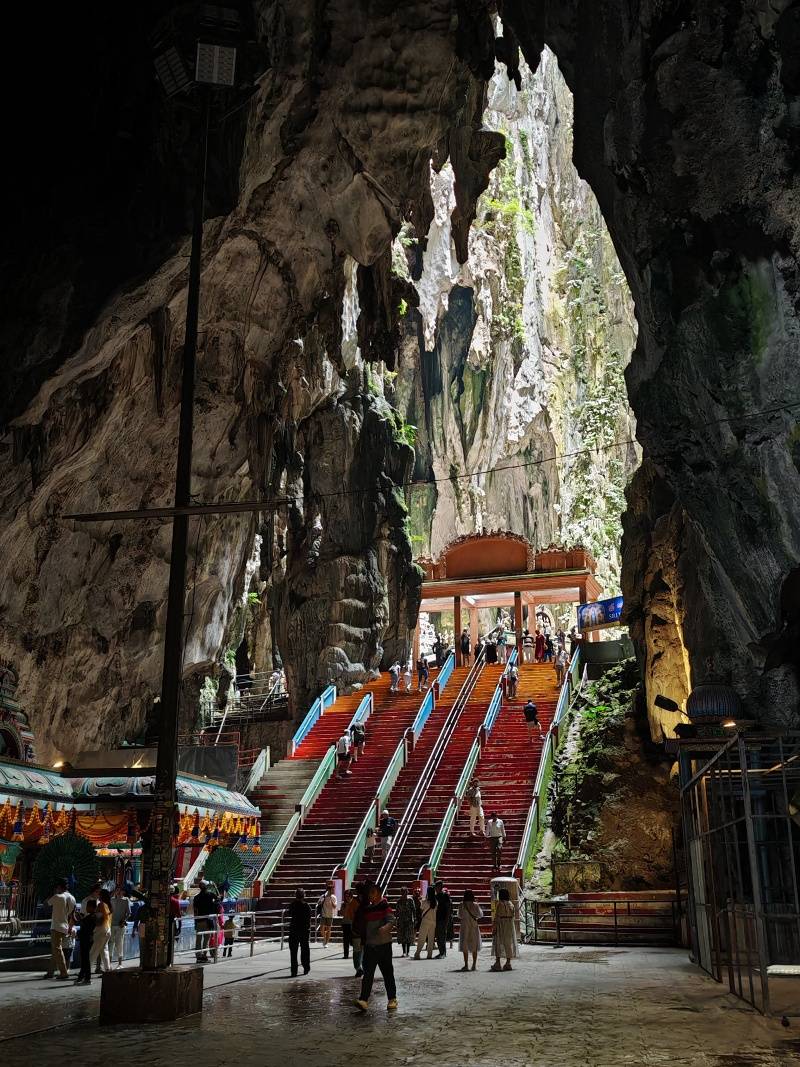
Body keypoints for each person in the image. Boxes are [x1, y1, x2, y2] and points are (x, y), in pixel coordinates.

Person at [354, 883, 396, 1012]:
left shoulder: (385, 907)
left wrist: (385, 928)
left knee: (387, 973)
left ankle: (392, 999)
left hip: (384, 946)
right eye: (369, 893)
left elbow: (391, 921)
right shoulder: (368, 909)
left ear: (378, 893)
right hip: (370, 946)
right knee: (368, 974)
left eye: (372, 893)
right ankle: (364, 1000)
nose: (370, 895)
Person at [45, 877, 76, 980]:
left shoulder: (57, 896)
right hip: (66, 926)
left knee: (57, 949)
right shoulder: (72, 898)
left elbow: (46, 904)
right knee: (56, 950)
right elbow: (73, 915)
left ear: (58, 886)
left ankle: (63, 972)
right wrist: (70, 927)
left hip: (56, 926)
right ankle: (50, 972)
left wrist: (52, 893)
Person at [491, 887, 518, 971]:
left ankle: (498, 963)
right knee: (508, 943)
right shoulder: (511, 904)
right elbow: (513, 915)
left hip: (501, 924)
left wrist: (494, 927)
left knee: (498, 942)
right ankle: (508, 963)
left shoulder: (500, 904)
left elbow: (497, 916)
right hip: (509, 925)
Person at [192, 880, 219, 962]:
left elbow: (195, 911)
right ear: (207, 887)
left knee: (198, 939)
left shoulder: (196, 897)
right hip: (208, 920)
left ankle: (198, 956)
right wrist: (215, 887)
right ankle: (204, 956)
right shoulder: (210, 895)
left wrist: (196, 921)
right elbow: (219, 898)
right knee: (206, 939)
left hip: (199, 920)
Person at [287, 889, 311, 977]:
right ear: (304, 896)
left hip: (294, 930)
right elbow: (309, 917)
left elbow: (289, 913)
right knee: (305, 950)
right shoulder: (306, 906)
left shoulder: (292, 905)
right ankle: (306, 968)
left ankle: (294, 971)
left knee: (293, 952)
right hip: (304, 931)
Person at [458, 890, 483, 971]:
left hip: (465, 926)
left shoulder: (461, 904)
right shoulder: (475, 905)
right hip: (474, 926)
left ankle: (466, 965)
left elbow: (460, 915)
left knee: (465, 945)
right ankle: (474, 965)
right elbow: (480, 915)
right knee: (474, 945)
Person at [74, 898, 97, 985]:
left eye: (88, 906)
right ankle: (82, 976)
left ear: (92, 907)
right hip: (85, 939)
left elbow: (85, 926)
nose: (86, 908)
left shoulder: (92, 917)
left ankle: (87, 978)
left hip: (86, 939)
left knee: (85, 959)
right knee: (85, 959)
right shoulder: (91, 917)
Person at [90, 888, 112, 974]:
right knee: (104, 950)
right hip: (107, 929)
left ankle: (86, 970)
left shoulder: (101, 905)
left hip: (101, 930)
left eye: (99, 894)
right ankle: (108, 969)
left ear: (102, 896)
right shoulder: (109, 905)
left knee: (93, 951)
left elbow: (99, 919)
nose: (98, 895)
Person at [109, 887, 130, 968]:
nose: (118, 891)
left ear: (123, 891)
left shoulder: (126, 900)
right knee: (111, 943)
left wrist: (124, 921)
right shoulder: (112, 899)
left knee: (119, 943)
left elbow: (129, 913)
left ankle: (120, 964)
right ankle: (109, 964)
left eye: (120, 890)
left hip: (120, 925)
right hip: (111, 924)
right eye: (117, 890)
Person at [413, 887, 437, 959]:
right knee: (431, 939)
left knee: (422, 938)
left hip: (425, 921)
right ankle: (429, 954)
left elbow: (421, 910)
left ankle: (417, 953)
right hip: (433, 922)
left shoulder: (424, 901)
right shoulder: (436, 902)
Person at [351, 883, 367, 977]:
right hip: (364, 931)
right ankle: (361, 968)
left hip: (357, 931)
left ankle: (358, 968)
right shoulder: (367, 901)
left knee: (357, 951)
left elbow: (350, 916)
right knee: (362, 951)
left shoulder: (354, 902)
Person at [394, 887, 415, 958]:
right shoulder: (399, 901)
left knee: (408, 936)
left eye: (405, 892)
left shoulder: (410, 900)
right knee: (402, 937)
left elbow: (413, 909)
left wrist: (414, 918)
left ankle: (408, 952)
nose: (404, 894)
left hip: (409, 920)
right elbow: (396, 911)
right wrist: (396, 920)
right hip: (401, 921)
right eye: (402, 892)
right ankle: (403, 952)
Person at [434, 879, 451, 959]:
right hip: (436, 919)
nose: (435, 888)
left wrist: (447, 919)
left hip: (443, 918)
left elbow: (448, 908)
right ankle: (440, 952)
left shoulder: (445, 896)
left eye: (436, 887)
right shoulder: (436, 896)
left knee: (442, 936)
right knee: (438, 936)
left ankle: (443, 952)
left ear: (440, 887)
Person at [340, 888, 358, 960]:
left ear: (351, 896)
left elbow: (356, 913)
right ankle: (346, 955)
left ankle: (356, 953)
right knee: (345, 940)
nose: (346, 897)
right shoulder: (344, 904)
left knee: (352, 940)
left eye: (348, 896)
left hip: (352, 923)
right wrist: (346, 907)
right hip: (345, 923)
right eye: (345, 896)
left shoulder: (354, 903)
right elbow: (342, 913)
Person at [319, 882, 338, 947]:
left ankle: (326, 942)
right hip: (323, 914)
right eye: (332, 889)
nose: (333, 891)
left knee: (328, 929)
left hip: (330, 915)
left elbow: (335, 906)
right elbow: (319, 903)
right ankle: (325, 938)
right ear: (329, 890)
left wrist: (331, 900)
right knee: (321, 929)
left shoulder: (334, 897)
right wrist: (321, 901)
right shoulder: (323, 896)